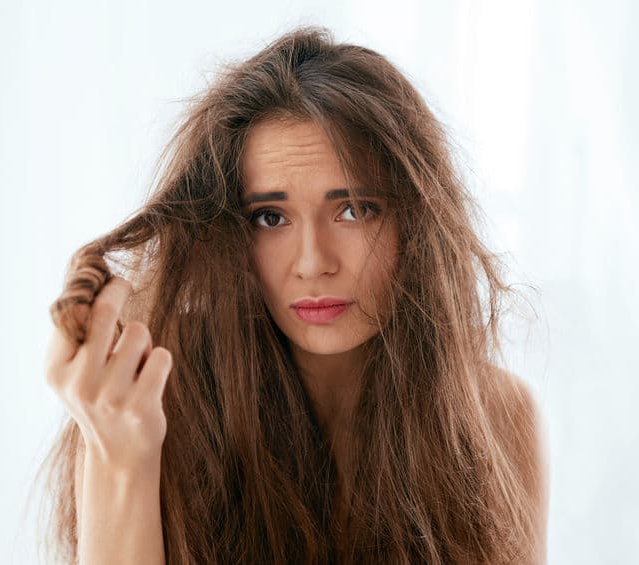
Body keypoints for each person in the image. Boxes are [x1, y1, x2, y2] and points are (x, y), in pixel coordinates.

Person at [38, 25, 549, 564]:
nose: (312, 264)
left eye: (354, 209)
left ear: (417, 224)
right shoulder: (147, 407)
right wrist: (121, 456)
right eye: (270, 217)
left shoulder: (494, 416)